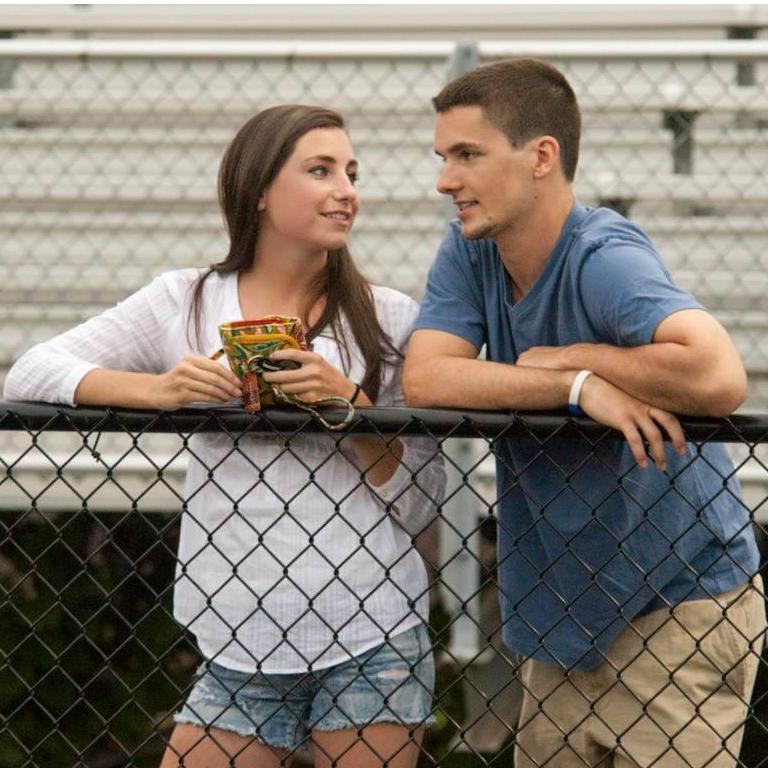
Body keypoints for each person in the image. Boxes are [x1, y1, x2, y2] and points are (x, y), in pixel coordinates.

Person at [4, 104, 445, 768]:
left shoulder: (388, 317)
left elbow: (421, 498)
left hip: (373, 632)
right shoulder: (184, 300)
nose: (347, 190)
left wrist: (348, 405)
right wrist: (157, 392)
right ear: (261, 190)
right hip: (238, 638)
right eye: (320, 170)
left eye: (351, 172)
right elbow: (31, 373)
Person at [404, 59, 765, 768]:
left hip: (675, 608)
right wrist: (574, 386)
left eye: (468, 155)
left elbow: (718, 375)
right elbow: (426, 377)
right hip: (564, 621)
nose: (447, 179)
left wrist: (576, 358)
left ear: (542, 157)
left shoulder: (604, 255)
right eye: (444, 158)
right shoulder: (471, 249)